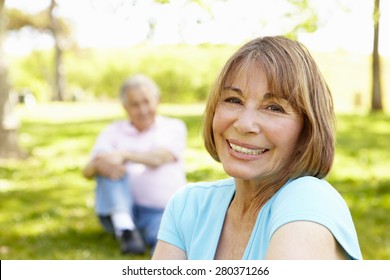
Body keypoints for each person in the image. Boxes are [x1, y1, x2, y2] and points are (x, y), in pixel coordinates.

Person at [152, 36, 362, 260]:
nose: (244, 124)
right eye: (234, 100)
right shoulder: (189, 206)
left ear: (307, 129)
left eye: (274, 107)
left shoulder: (310, 201)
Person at [83, 74, 187, 255]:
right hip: (122, 209)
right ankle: (126, 228)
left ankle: (132, 234)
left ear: (157, 101)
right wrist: (100, 165)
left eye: (146, 102)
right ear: (125, 107)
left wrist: (123, 155)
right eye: (135, 104)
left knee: (170, 245)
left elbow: (159, 158)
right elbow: (87, 171)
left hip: (161, 211)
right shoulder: (113, 131)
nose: (142, 109)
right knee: (104, 160)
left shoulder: (173, 127)